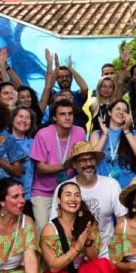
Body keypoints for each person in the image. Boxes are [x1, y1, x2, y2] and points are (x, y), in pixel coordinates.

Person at [38, 181, 115, 273]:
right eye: (68, 195)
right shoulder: (49, 229)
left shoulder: (87, 222)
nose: (73, 199)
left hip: (79, 272)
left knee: (102, 266)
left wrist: (87, 242)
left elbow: (94, 257)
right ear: (59, 200)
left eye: (77, 195)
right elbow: (53, 266)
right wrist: (77, 247)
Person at [54, 142, 125, 251]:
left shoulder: (111, 185)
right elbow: (55, 224)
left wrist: (117, 251)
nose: (88, 164)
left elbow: (122, 221)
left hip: (106, 254)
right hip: (72, 255)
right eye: (82, 160)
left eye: (91, 159)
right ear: (74, 165)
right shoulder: (64, 189)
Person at [29, 95, 86, 224]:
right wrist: (65, 166)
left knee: (69, 229)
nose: (67, 117)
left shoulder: (80, 132)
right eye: (62, 114)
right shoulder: (43, 134)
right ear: (54, 117)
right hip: (44, 191)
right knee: (43, 228)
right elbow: (41, 168)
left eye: (70, 114)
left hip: (69, 190)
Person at [9, 105, 38, 212]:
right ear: (12, 119)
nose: (24, 120)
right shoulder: (3, 141)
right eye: (20, 116)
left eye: (27, 118)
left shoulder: (34, 143)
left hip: (27, 197)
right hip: (6, 196)